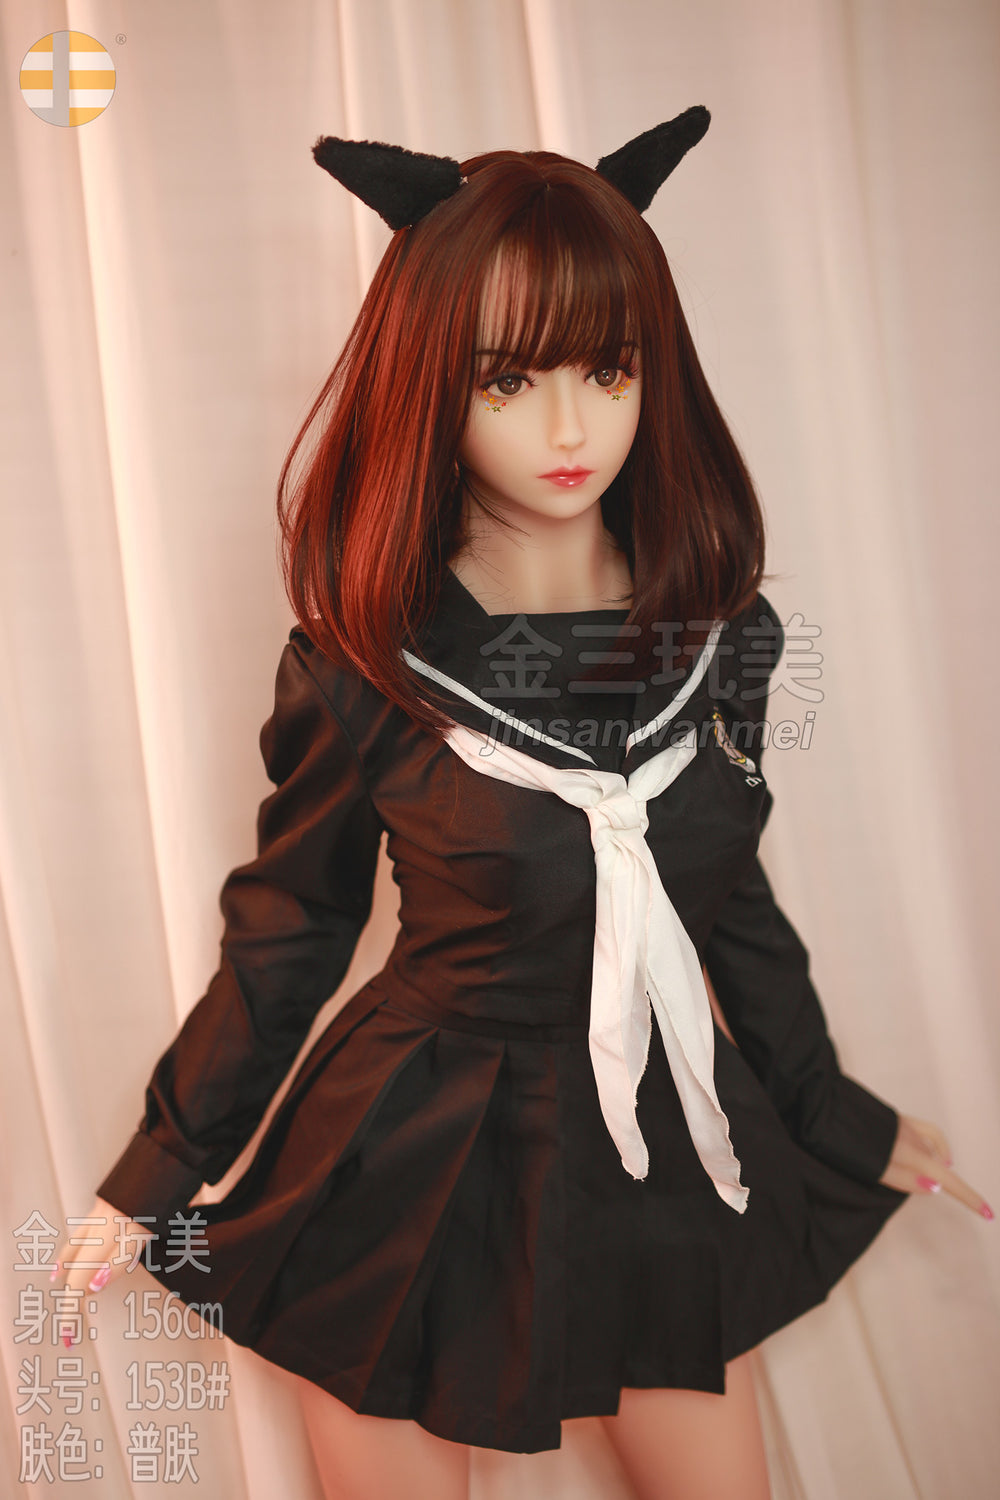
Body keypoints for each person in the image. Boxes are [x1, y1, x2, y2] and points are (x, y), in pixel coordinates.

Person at [54, 111, 990, 1500]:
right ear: (431, 380)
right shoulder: (362, 666)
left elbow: (729, 898)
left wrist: (833, 1111)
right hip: (412, 1153)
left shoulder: (731, 643)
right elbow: (290, 933)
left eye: (609, 370)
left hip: (658, 1147)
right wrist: (152, 1171)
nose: (570, 429)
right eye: (509, 379)